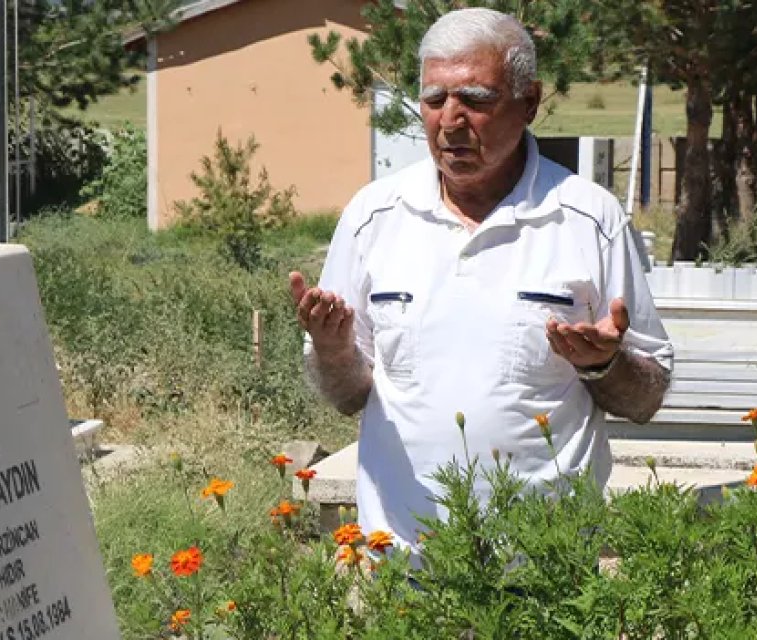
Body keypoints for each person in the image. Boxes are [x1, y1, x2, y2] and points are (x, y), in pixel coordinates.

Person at [288, 8, 673, 551]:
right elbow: (349, 396)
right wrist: (332, 350)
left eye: (475, 98)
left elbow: (646, 398)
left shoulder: (589, 218)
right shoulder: (374, 216)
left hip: (546, 562)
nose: (450, 120)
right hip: (405, 563)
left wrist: (604, 365)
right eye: (434, 99)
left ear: (529, 102)